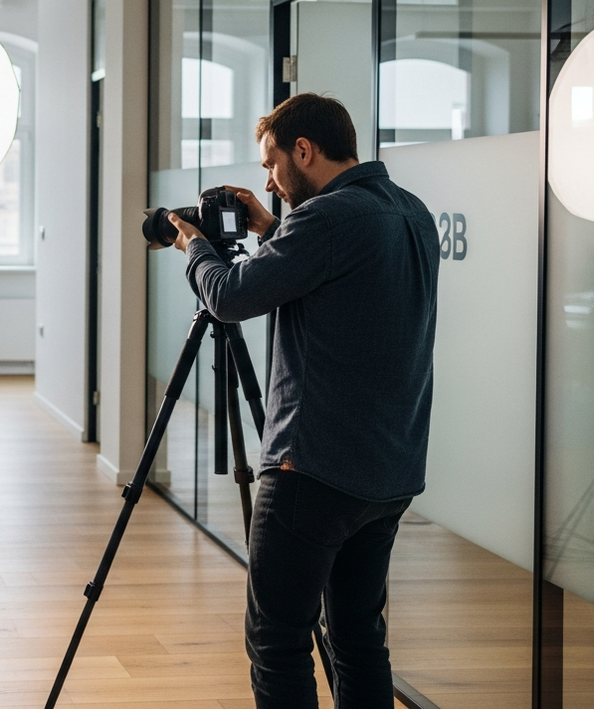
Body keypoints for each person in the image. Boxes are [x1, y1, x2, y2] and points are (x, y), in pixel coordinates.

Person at [164, 93, 439, 708]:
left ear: (304, 150)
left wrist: (195, 248)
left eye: (272, 164)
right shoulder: (410, 212)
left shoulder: (328, 220)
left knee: (277, 637)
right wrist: (272, 228)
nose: (269, 179)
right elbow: (343, 279)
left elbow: (231, 296)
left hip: (313, 469)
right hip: (389, 470)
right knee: (359, 639)